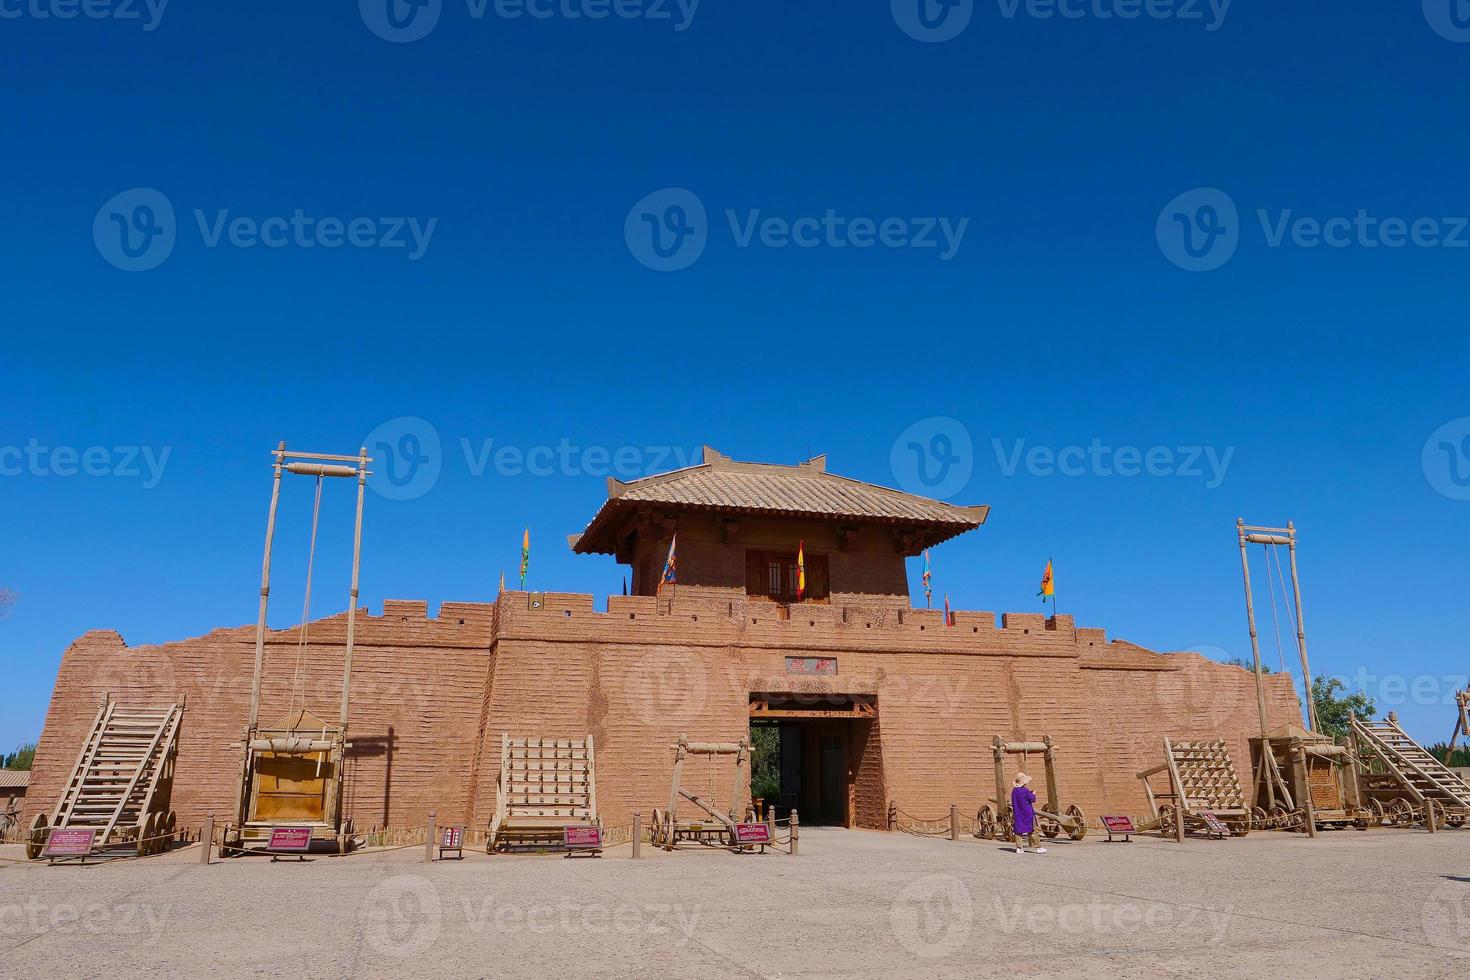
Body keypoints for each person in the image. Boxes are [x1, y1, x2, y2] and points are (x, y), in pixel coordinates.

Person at [1010, 772, 1047, 854]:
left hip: (1018, 813)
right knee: (1033, 829)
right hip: (1028, 813)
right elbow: (1032, 799)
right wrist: (1033, 793)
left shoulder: (1014, 791)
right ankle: (1038, 847)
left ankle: (1019, 848)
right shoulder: (1025, 791)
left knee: (1018, 830)